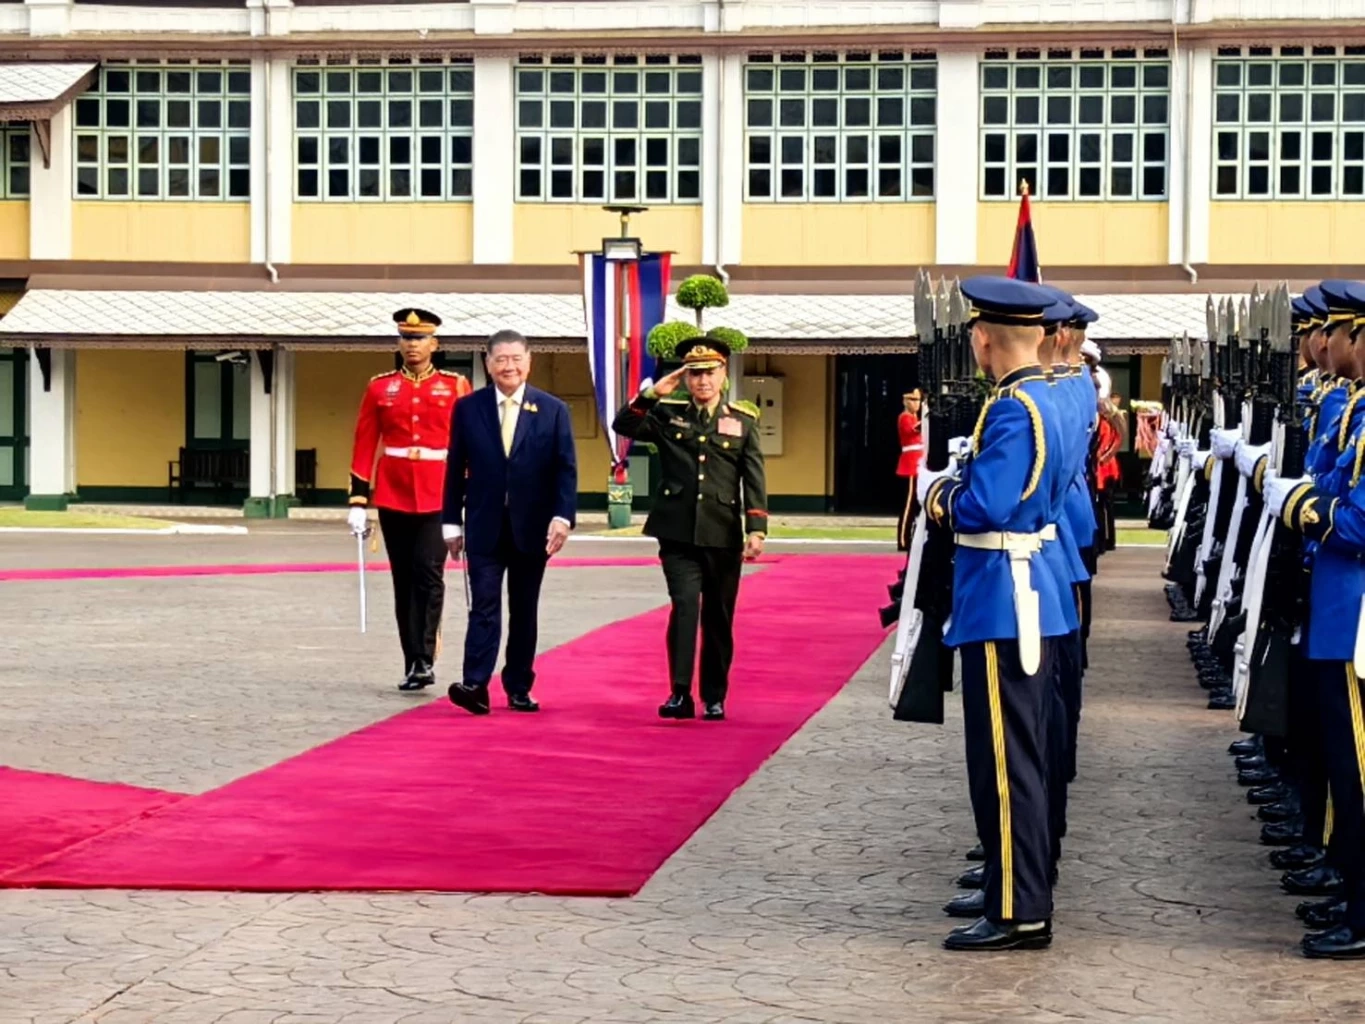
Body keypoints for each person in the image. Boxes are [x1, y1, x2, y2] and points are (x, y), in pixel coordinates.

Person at [918, 276, 1072, 952]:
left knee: (1005, 766)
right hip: (1029, 588)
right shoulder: (1052, 396)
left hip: (1003, 596)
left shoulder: (1013, 408)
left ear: (982, 339)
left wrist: (939, 494)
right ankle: (1015, 893)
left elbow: (986, 506)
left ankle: (1018, 909)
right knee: (1020, 757)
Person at [612, 335, 768, 721]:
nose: (703, 381)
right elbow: (624, 424)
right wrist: (653, 393)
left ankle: (714, 696)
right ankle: (680, 692)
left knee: (718, 615)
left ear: (723, 374)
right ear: (686, 378)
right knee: (684, 606)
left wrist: (756, 528)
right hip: (677, 531)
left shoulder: (742, 421)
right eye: (695, 374)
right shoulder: (668, 414)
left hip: (722, 532)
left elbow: (753, 476)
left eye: (710, 373)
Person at [442, 330, 578, 715]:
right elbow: (455, 467)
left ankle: (519, 685)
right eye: (501, 359)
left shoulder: (552, 410)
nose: (509, 367)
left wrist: (562, 517)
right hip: (484, 525)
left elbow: (565, 469)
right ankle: (475, 684)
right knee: (484, 603)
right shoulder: (468, 408)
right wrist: (451, 523)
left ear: (529, 362)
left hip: (532, 528)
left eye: (516, 359)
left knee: (523, 608)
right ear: (488, 363)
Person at [347, 308, 473, 691]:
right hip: (394, 492)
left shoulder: (455, 386)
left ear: (435, 344)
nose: (412, 344)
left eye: (419, 338)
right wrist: (358, 501)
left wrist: (471, 494)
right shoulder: (380, 387)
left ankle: (425, 655)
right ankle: (413, 660)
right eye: (406, 338)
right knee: (403, 579)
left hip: (439, 493)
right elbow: (365, 441)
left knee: (428, 571)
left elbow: (468, 444)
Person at [896, 390, 924, 551]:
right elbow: (913, 430)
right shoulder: (905, 417)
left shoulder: (914, 417)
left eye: (918, 400)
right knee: (908, 505)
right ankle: (903, 540)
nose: (916, 403)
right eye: (913, 400)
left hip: (917, 464)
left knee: (915, 506)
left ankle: (910, 537)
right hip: (910, 465)